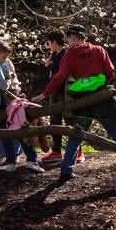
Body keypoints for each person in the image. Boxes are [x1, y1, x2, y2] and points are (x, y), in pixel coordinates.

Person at [32, 24, 116, 188]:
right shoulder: (99, 50)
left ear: (73, 37)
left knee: (76, 135)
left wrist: (44, 94)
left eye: (68, 39)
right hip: (102, 99)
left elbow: (60, 76)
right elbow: (110, 72)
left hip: (83, 102)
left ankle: (66, 171)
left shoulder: (69, 55)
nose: (67, 42)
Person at [0, 40, 45, 173]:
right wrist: (8, 75)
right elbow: (4, 86)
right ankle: (31, 160)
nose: (4, 60)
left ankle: (11, 162)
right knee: (19, 128)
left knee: (6, 132)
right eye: (3, 57)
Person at [39, 31, 82, 164]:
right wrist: (48, 64)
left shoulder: (66, 53)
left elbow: (64, 73)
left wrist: (50, 65)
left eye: (49, 43)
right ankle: (56, 151)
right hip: (54, 91)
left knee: (69, 119)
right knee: (54, 120)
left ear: (54, 41)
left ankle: (77, 150)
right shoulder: (53, 54)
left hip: (65, 91)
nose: (48, 46)